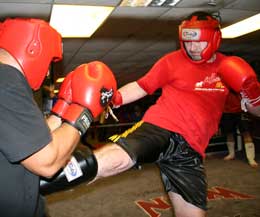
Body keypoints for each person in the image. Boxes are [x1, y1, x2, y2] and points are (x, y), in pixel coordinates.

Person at [40, 11, 260, 217]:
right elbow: (142, 86)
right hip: (160, 127)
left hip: (191, 150)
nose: (192, 47)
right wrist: (115, 98)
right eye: (188, 41)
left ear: (214, 38)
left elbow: (255, 111)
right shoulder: (172, 61)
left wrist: (253, 93)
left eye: (198, 41)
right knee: (117, 160)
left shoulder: (230, 68)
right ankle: (41, 181)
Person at [0, 18, 116, 217]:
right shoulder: (6, 83)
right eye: (48, 62)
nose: (47, 71)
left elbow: (32, 142)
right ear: (33, 49)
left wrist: (63, 109)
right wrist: (83, 111)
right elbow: (47, 162)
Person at [221, 91, 258, 167]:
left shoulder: (239, 81)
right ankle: (231, 154)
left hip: (241, 109)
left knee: (246, 132)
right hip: (226, 110)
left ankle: (251, 158)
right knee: (229, 133)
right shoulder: (222, 82)